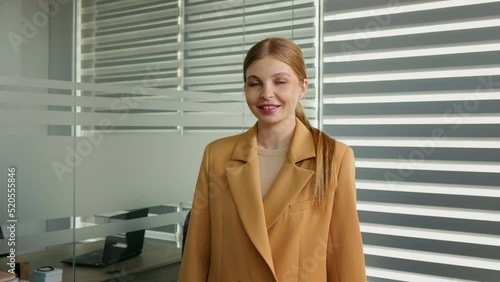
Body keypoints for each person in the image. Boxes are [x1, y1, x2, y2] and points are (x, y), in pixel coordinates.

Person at [178, 37, 366, 282]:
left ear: (302, 86)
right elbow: (197, 250)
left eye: (280, 82)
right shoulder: (217, 155)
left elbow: (344, 254)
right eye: (254, 83)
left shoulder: (333, 157)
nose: (267, 94)